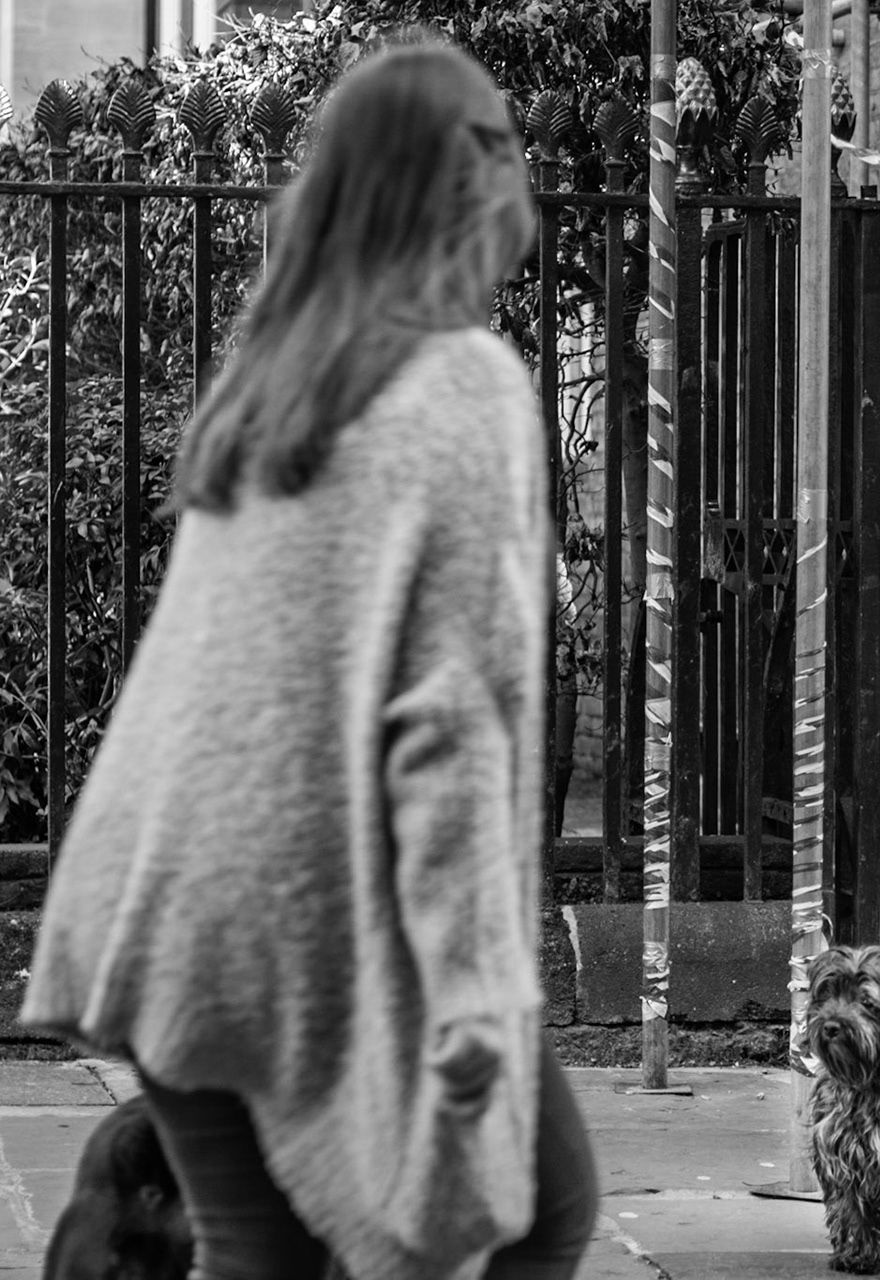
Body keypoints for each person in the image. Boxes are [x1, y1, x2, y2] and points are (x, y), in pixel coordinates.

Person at [21, 39, 598, 1280]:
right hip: (295, 914)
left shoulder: (274, 383)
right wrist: (473, 988)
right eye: (503, 146)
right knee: (542, 1203)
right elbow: (451, 722)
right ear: (470, 179)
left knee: (259, 1254)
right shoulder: (464, 386)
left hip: (163, 902)